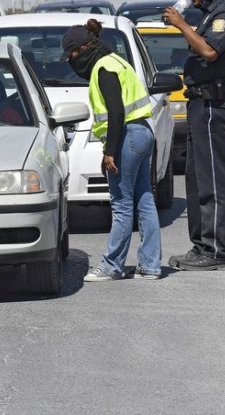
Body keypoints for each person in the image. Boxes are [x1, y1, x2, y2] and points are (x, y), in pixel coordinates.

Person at [60, 19, 162, 281]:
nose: (72, 61)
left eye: (72, 55)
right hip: (143, 132)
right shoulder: (118, 62)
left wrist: (110, 151)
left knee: (121, 204)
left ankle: (111, 265)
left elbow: (116, 112)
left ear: (84, 48)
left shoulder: (103, 69)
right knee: (144, 200)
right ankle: (151, 266)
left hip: (126, 136)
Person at [162, 0, 225, 271]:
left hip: (215, 106)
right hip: (200, 105)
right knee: (197, 179)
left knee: (213, 178)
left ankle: (216, 252)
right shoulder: (210, 14)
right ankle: (201, 247)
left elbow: (210, 52)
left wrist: (181, 25)